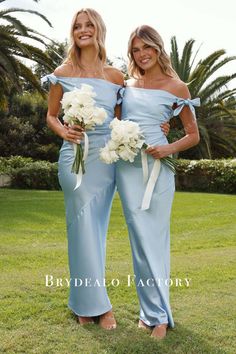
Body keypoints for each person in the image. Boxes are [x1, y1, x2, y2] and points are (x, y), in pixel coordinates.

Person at [116, 25, 200, 339]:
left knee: (155, 240)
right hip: (127, 170)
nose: (142, 54)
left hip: (158, 170)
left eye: (146, 48)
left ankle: (160, 316)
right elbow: (116, 121)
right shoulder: (126, 85)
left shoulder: (178, 87)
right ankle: (148, 311)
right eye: (136, 50)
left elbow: (193, 136)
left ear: (157, 48)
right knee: (138, 241)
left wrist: (167, 146)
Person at [43, 8, 124, 330]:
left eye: (89, 25)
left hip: (105, 160)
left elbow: (124, 117)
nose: (83, 30)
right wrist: (63, 131)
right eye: (78, 26)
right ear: (73, 33)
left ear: (99, 30)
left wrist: (160, 122)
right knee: (81, 229)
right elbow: (50, 115)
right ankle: (97, 307)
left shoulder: (116, 77)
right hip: (73, 157)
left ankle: (88, 302)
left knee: (97, 230)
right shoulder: (61, 72)